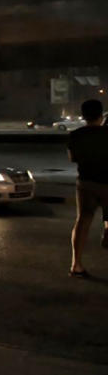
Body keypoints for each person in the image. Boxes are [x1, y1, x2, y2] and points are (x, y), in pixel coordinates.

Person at [67, 99, 108, 278]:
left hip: (86, 184)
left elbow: (72, 158)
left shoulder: (74, 135)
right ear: (101, 114)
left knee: (83, 221)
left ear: (83, 116)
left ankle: (76, 265)